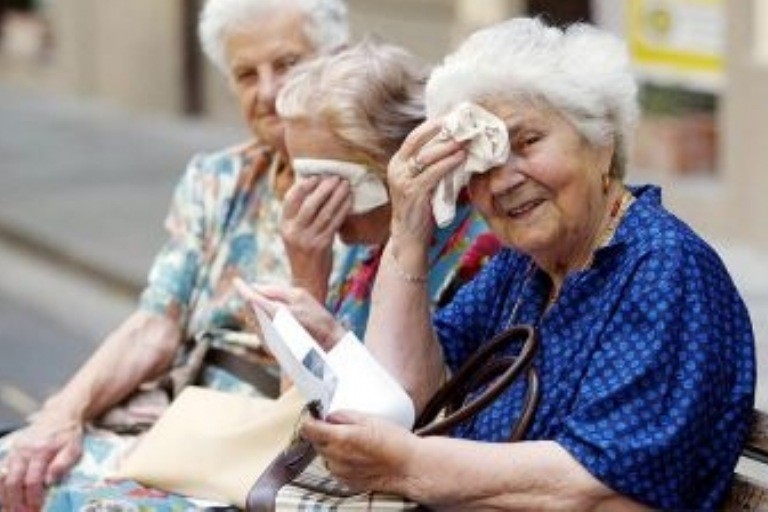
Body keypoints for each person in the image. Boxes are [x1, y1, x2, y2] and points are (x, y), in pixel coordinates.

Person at [245, 18, 755, 510]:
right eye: (480, 161)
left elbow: (596, 487)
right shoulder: (521, 269)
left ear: (602, 144)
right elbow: (408, 394)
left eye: (528, 142)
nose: (503, 179)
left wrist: (408, 465)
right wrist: (408, 233)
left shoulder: (664, 269)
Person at [0, 0, 349, 509]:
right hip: (182, 415)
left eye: (288, 64)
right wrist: (61, 415)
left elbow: (336, 391)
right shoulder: (218, 179)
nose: (268, 91)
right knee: (18, 466)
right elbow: (155, 324)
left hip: (272, 443)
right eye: (246, 74)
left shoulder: (369, 201)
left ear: (335, 60)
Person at [274, 38, 495, 339]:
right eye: (301, 176)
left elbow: (402, 369)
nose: (308, 198)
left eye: (328, 180)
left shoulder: (482, 252)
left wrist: (307, 290)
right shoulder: (367, 236)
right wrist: (307, 281)